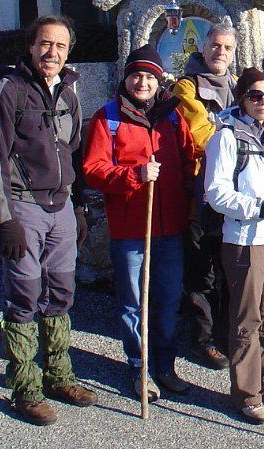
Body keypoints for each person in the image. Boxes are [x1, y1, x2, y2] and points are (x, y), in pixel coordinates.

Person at [0, 15, 97, 426]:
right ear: (30, 46)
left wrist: (78, 207)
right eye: (45, 44)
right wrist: (2, 219)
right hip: (22, 208)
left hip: (60, 208)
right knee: (24, 296)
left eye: (61, 46)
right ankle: (25, 387)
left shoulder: (69, 96)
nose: (52, 53)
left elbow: (73, 155)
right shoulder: (6, 92)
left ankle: (59, 374)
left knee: (61, 292)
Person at [83, 45, 196, 400]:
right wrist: (135, 175)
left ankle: (164, 364)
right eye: (136, 75)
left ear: (159, 80)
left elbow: (189, 158)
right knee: (134, 302)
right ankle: (139, 365)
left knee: (167, 299)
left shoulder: (174, 117)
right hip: (132, 228)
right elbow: (93, 170)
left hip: (170, 227)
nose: (142, 82)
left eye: (149, 76)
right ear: (126, 78)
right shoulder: (109, 118)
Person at [204, 67, 264, 424]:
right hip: (245, 239)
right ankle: (246, 393)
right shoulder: (226, 138)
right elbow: (215, 193)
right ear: (242, 99)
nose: (263, 102)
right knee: (248, 318)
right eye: (255, 96)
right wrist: (257, 208)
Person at [172, 23, 238, 370]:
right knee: (201, 273)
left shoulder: (239, 87)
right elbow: (202, 134)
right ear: (204, 46)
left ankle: (227, 335)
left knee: (226, 269)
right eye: (215, 45)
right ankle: (203, 340)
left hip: (231, 193)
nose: (220, 52)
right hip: (200, 194)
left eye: (227, 47)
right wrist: (235, 139)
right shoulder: (187, 87)